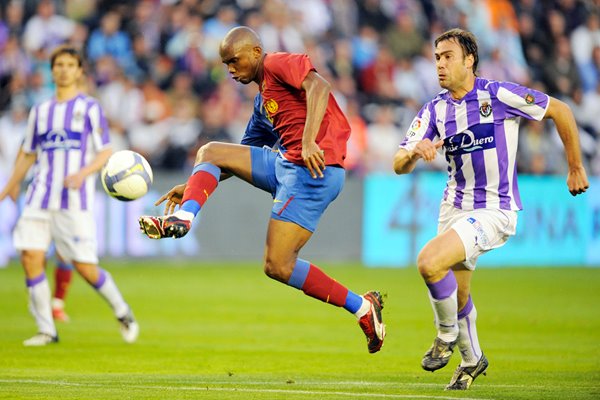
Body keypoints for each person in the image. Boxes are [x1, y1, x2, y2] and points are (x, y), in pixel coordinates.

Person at [139, 26, 386, 353]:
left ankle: (362, 306)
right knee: (212, 154)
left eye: (234, 60)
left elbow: (320, 86)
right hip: (285, 165)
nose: (230, 70)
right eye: (225, 64)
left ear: (256, 52)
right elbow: (232, 160)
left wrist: (309, 140)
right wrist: (193, 183)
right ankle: (185, 216)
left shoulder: (277, 63)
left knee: (279, 264)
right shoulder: (261, 104)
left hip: (314, 170)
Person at [393, 28, 589, 390]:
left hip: (494, 209)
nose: (440, 64)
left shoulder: (497, 94)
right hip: (454, 206)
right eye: (436, 57)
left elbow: (559, 110)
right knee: (459, 293)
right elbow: (397, 163)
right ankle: (472, 360)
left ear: (469, 60)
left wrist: (575, 166)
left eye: (448, 56)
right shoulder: (434, 109)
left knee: (428, 262)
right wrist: (413, 153)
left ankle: (446, 335)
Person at [0, 45, 139, 346]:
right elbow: (28, 152)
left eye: (69, 64)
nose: (63, 69)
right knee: (30, 257)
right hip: (39, 197)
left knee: (85, 267)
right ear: (52, 71)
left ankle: (122, 310)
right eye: (58, 64)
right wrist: (11, 185)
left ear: (79, 71)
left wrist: (82, 173)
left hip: (74, 203)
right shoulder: (40, 111)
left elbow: (105, 152)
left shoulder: (89, 108)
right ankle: (46, 329)